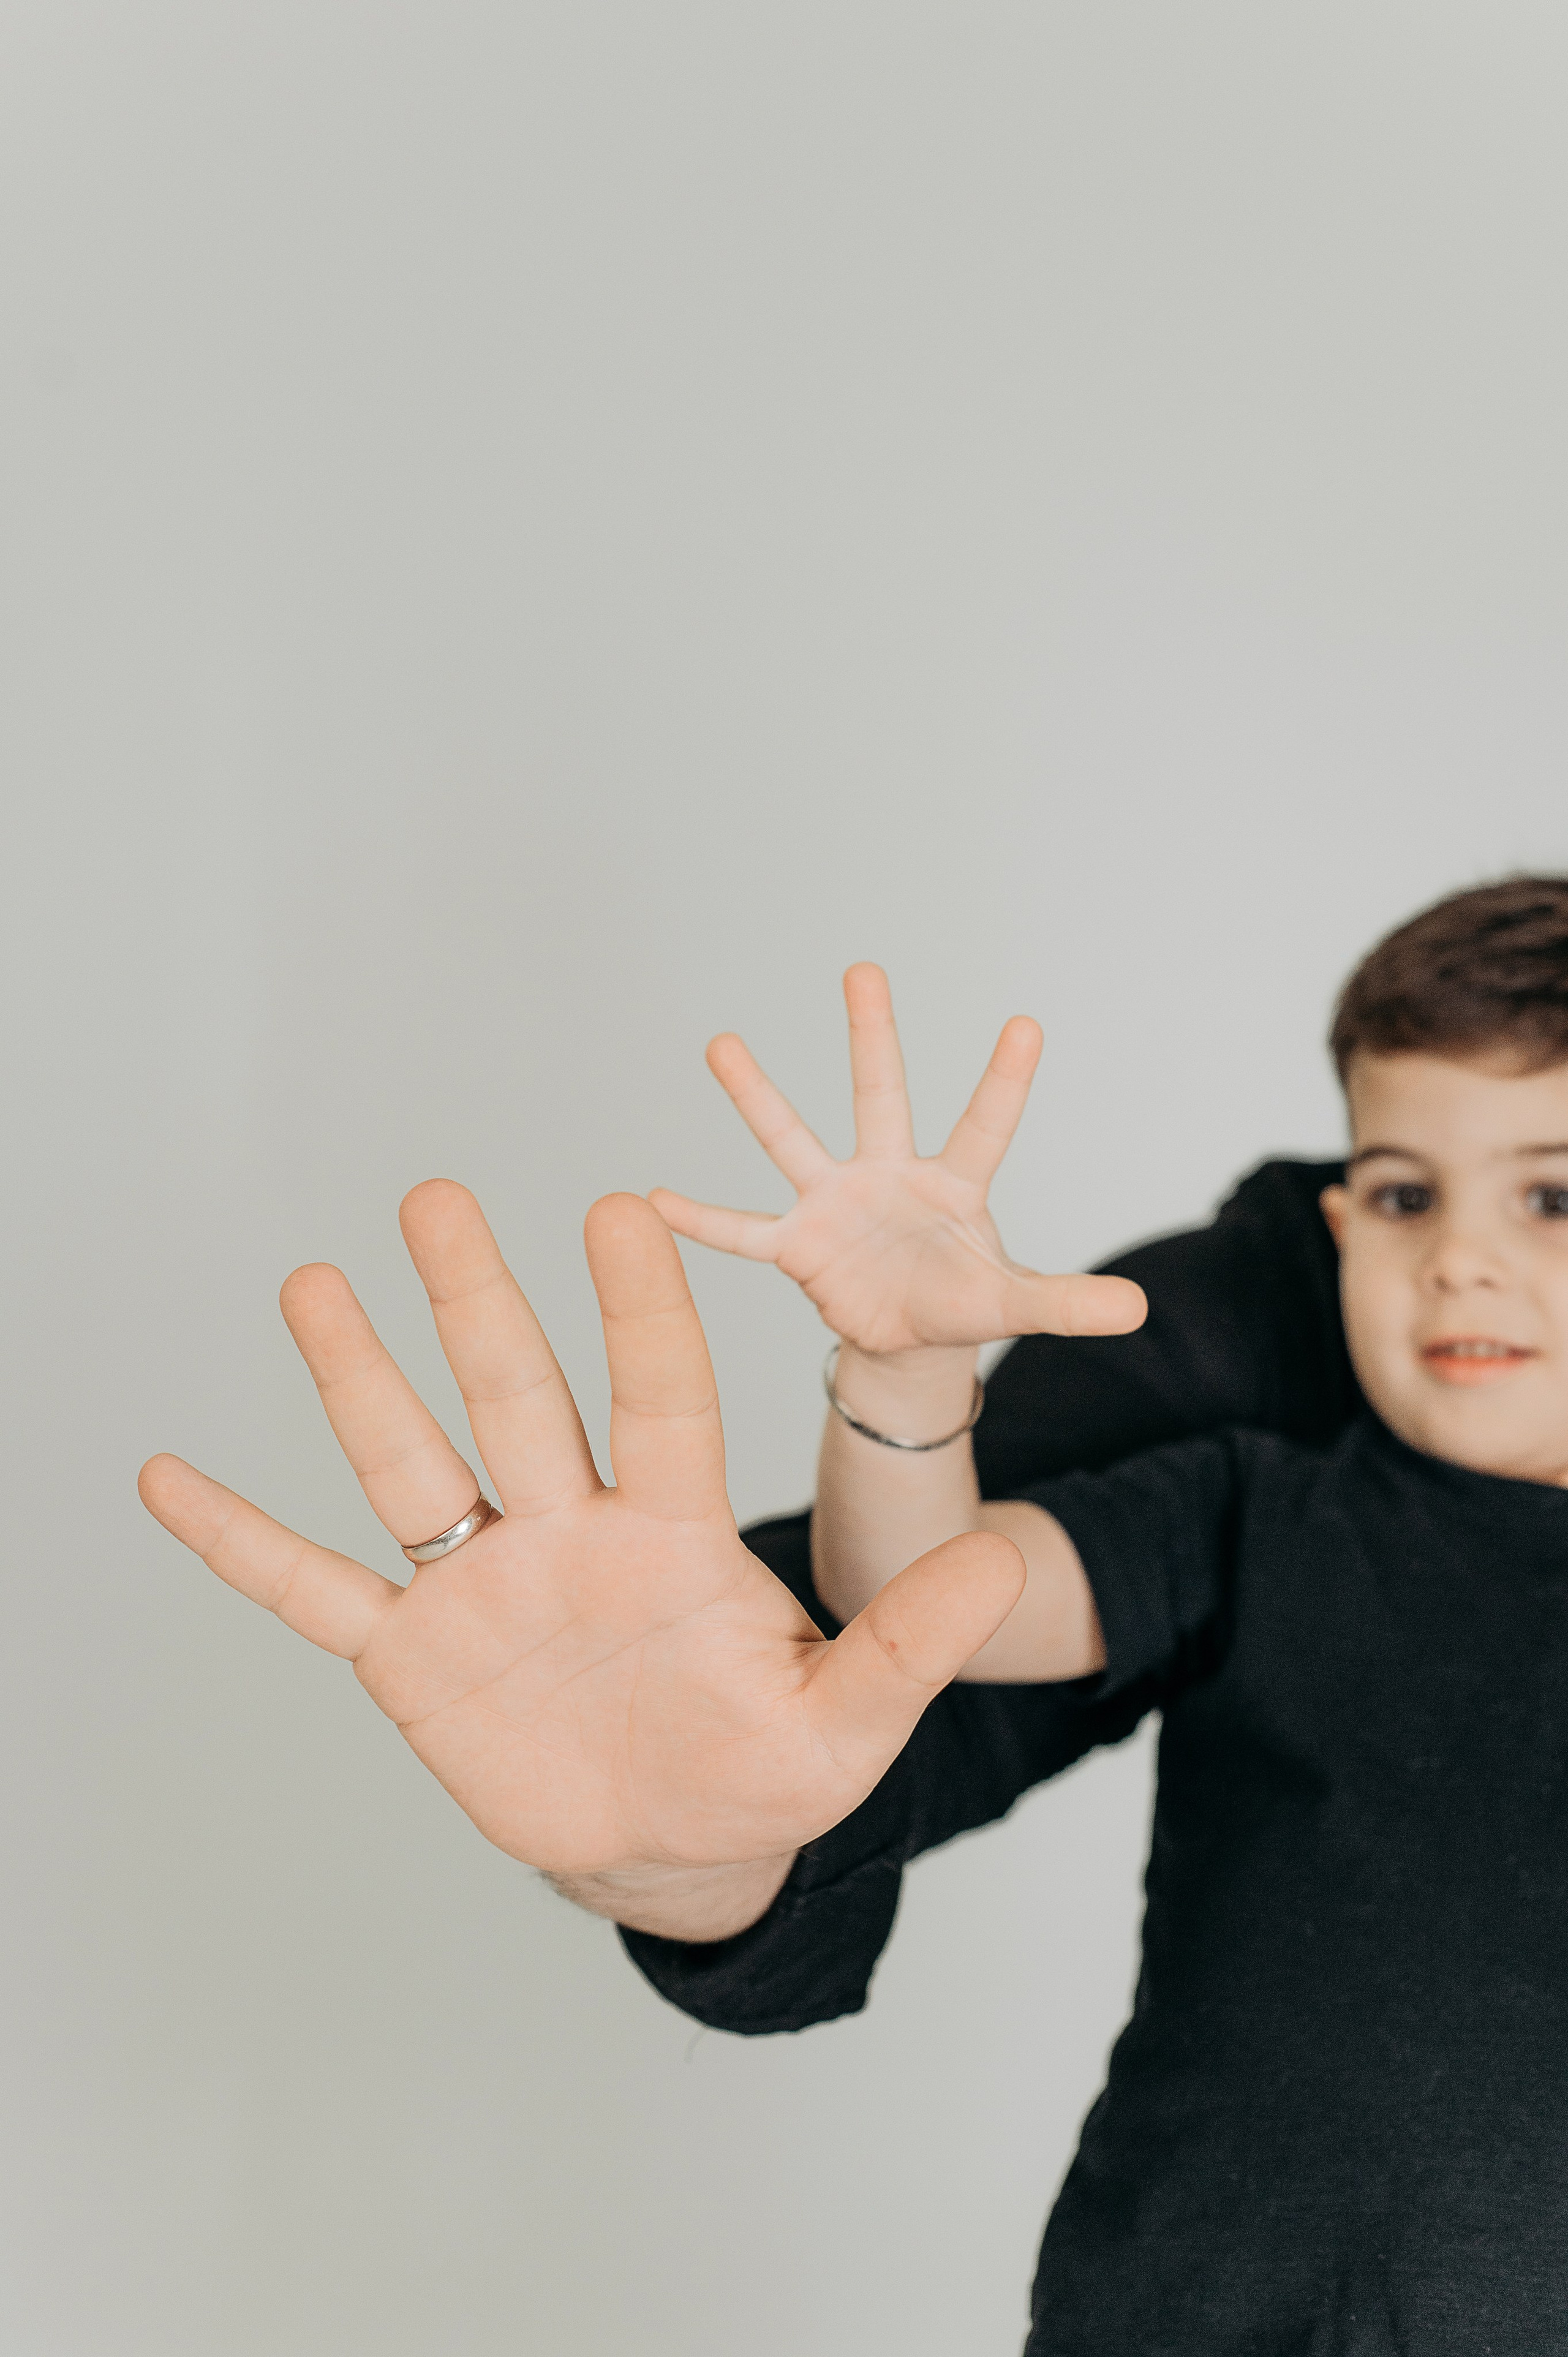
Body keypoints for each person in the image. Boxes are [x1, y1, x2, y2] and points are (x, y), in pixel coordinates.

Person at [134, 873, 1567, 2348]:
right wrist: (904, 1374)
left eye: (1550, 1194)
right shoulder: (1254, 1506)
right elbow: (923, 1601)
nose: (1459, 1256)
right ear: (1341, 1217)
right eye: (1404, 1195)